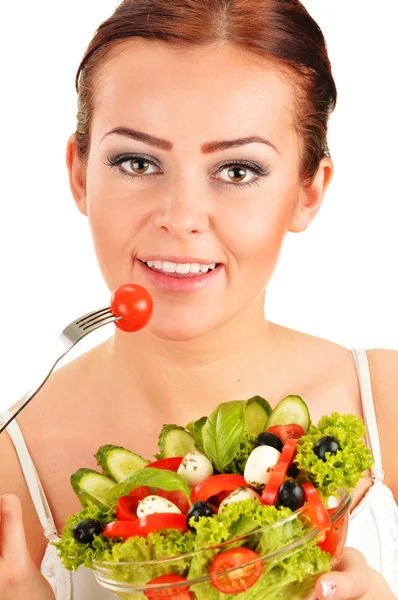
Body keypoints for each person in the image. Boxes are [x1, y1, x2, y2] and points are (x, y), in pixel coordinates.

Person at [0, 0, 397, 598]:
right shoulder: (11, 467)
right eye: (137, 162)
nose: (181, 218)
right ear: (80, 172)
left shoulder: (388, 407)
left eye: (238, 171)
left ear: (308, 192)